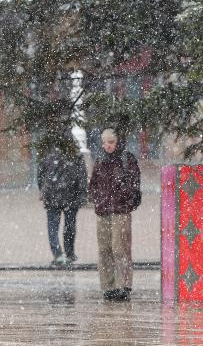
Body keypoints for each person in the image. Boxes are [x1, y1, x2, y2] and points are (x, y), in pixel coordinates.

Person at [89, 128, 141, 301]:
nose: (107, 146)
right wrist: (98, 200)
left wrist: (126, 200)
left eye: (111, 142)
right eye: (105, 143)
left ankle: (123, 285)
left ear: (117, 142)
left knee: (120, 248)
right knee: (104, 249)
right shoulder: (100, 161)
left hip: (120, 210)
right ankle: (108, 286)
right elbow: (93, 185)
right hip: (104, 210)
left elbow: (134, 184)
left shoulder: (126, 160)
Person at [38, 137, 89, 267]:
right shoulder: (73, 153)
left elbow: (40, 174)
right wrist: (82, 194)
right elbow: (82, 176)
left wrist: (43, 190)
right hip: (67, 196)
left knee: (56, 227)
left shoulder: (49, 152)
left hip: (57, 196)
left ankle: (60, 254)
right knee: (67, 227)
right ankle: (67, 253)